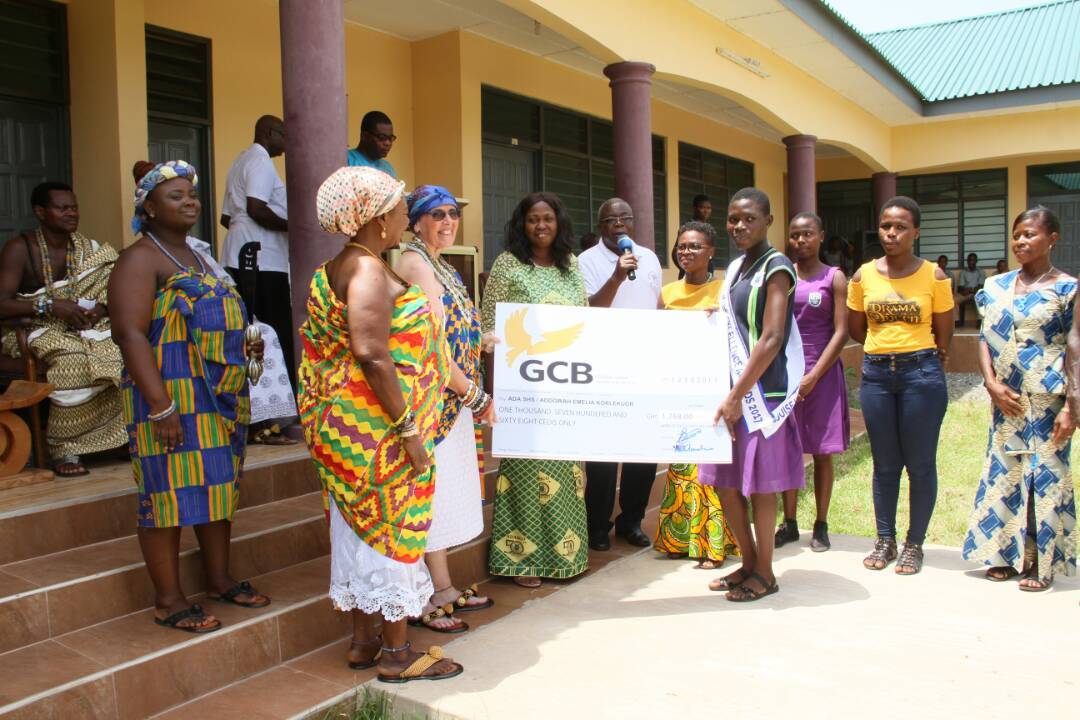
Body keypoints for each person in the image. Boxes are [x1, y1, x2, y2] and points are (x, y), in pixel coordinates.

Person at [297, 166, 462, 682]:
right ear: (375, 216)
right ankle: (396, 654)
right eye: (398, 208)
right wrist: (410, 431)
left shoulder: (340, 266)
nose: (403, 216)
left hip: (351, 430)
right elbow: (371, 353)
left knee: (358, 530)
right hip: (378, 433)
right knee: (391, 531)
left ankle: (363, 641)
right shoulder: (368, 271)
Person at [109, 160, 269, 634]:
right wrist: (161, 406)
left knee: (218, 486)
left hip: (215, 397)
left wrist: (247, 349)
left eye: (192, 194)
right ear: (149, 208)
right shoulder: (140, 259)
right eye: (175, 196)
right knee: (166, 494)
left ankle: (218, 578)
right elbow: (129, 334)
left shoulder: (199, 257)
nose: (189, 202)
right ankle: (168, 600)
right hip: (169, 397)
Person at [395, 185, 496, 633]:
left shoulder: (441, 264)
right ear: (416, 222)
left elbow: (453, 329)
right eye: (436, 214)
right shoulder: (415, 264)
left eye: (452, 213)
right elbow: (432, 347)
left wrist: (481, 340)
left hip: (450, 400)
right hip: (432, 400)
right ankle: (422, 595)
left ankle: (443, 586)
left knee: (440, 496)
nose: (448, 221)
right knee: (425, 497)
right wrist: (475, 394)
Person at [699, 188, 803, 602]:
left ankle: (766, 572)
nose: (739, 226)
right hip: (730, 392)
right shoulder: (737, 268)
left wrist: (737, 395)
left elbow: (773, 337)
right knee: (725, 483)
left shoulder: (777, 267)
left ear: (768, 221)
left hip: (761, 395)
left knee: (760, 486)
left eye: (748, 219)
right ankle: (747, 561)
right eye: (733, 219)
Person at [482, 192, 589, 588]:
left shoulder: (571, 265)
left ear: (559, 223)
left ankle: (566, 558)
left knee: (566, 469)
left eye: (548, 219)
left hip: (565, 386)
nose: (541, 226)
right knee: (525, 472)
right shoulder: (508, 264)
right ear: (521, 224)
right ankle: (523, 561)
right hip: (521, 389)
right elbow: (489, 329)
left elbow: (585, 323)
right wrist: (493, 393)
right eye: (532, 219)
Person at [966, 206, 1076, 591]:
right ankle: (1002, 555)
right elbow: (984, 337)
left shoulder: (1068, 288)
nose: (1021, 241)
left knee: (1044, 477)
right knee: (1005, 473)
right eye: (1017, 235)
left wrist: (1072, 407)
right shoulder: (996, 285)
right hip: (1006, 398)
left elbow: (1076, 345)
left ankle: (1038, 561)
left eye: (1030, 234)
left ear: (1052, 239)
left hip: (1048, 400)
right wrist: (991, 384)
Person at [848, 196, 953, 576]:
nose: (891, 233)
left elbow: (944, 332)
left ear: (916, 232)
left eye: (901, 227)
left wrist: (916, 356)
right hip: (877, 376)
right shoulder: (862, 276)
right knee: (885, 464)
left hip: (920, 375)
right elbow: (856, 329)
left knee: (920, 464)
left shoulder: (934, 276)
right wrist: (885, 347)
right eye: (886, 226)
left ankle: (914, 544)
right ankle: (885, 539)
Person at [0, 182, 127, 476]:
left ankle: (115, 439)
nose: (72, 213)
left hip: (85, 326)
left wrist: (99, 310)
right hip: (35, 328)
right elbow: (2, 304)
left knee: (125, 348)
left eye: (74, 207)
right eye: (63, 208)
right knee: (72, 361)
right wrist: (51, 306)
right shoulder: (20, 249)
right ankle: (64, 447)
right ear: (40, 212)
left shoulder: (88, 250)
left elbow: (110, 290)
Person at [578, 197, 663, 551]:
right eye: (611, 220)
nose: (619, 224)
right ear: (600, 226)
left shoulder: (650, 258)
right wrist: (616, 275)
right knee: (602, 452)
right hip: (603, 368)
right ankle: (598, 525)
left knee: (642, 450)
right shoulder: (585, 261)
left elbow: (656, 306)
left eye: (625, 218)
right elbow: (589, 310)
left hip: (644, 366)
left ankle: (632, 520)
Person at [652, 221, 738, 569]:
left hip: (714, 389)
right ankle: (677, 539)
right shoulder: (667, 294)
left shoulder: (725, 291)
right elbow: (655, 339)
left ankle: (711, 544)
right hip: (677, 388)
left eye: (695, 246)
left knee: (708, 465)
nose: (686, 252)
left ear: (711, 251)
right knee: (680, 464)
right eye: (682, 246)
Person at [219, 116, 297, 445]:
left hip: (240, 254)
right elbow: (256, 208)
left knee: (251, 335)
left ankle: (257, 417)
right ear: (269, 133)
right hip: (261, 261)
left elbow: (227, 218)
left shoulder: (241, 161)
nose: (287, 143)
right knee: (270, 337)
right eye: (284, 135)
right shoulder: (261, 161)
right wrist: (294, 227)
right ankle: (272, 420)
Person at [775, 212, 850, 552]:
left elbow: (841, 331)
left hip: (822, 374)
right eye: (794, 235)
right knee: (786, 448)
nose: (800, 240)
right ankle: (789, 523)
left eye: (807, 234)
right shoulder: (781, 276)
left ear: (821, 236)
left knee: (821, 452)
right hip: (785, 373)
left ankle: (821, 524)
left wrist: (814, 375)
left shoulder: (834, 278)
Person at [346, 110, 397, 178]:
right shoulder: (347, 160)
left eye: (390, 138)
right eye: (381, 137)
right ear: (364, 136)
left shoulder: (388, 168)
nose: (388, 143)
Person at [956, 252, 986, 327]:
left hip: (977, 293)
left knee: (981, 298)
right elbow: (961, 287)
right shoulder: (963, 272)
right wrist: (966, 291)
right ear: (967, 261)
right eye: (969, 260)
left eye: (973, 260)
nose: (971, 262)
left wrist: (971, 290)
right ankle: (957, 322)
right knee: (955, 300)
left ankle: (980, 322)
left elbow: (981, 286)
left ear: (976, 261)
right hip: (966, 294)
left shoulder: (981, 272)